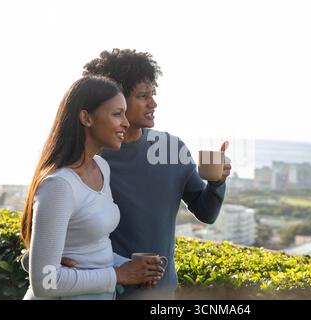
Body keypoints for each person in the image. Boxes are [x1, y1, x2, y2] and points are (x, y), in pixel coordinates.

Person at [81, 49, 232, 299]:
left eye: (153, 95)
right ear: (113, 100)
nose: (153, 104)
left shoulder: (171, 149)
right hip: (104, 293)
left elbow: (206, 214)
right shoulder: (91, 157)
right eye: (143, 96)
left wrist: (216, 182)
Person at [20, 75, 164, 300]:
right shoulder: (60, 185)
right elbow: (44, 282)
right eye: (117, 114)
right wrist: (119, 275)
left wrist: (134, 268)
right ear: (86, 118)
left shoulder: (101, 167)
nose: (126, 123)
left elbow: (91, 250)